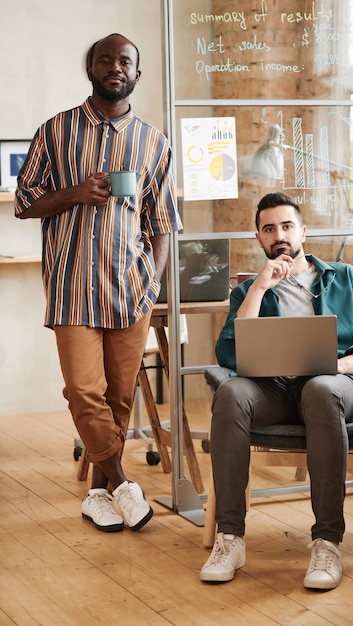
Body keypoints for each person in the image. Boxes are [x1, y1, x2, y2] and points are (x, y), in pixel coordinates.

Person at [14, 34, 181, 533]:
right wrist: (74, 193)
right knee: (83, 393)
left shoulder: (154, 142)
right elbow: (25, 202)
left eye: (124, 60)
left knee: (119, 402)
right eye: (105, 60)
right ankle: (125, 483)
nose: (115, 67)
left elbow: (163, 223)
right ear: (90, 69)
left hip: (132, 290)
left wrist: (152, 284)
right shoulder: (56, 131)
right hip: (71, 286)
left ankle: (99, 494)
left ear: (136, 72)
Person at [200, 191, 353, 589]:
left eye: (287, 226)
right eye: (269, 229)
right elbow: (229, 352)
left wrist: (341, 365)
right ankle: (230, 537)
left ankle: (326, 541)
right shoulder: (248, 291)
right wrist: (259, 288)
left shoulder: (346, 278)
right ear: (259, 238)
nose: (279, 234)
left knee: (321, 389)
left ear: (303, 231)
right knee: (231, 394)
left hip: (330, 388)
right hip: (272, 392)